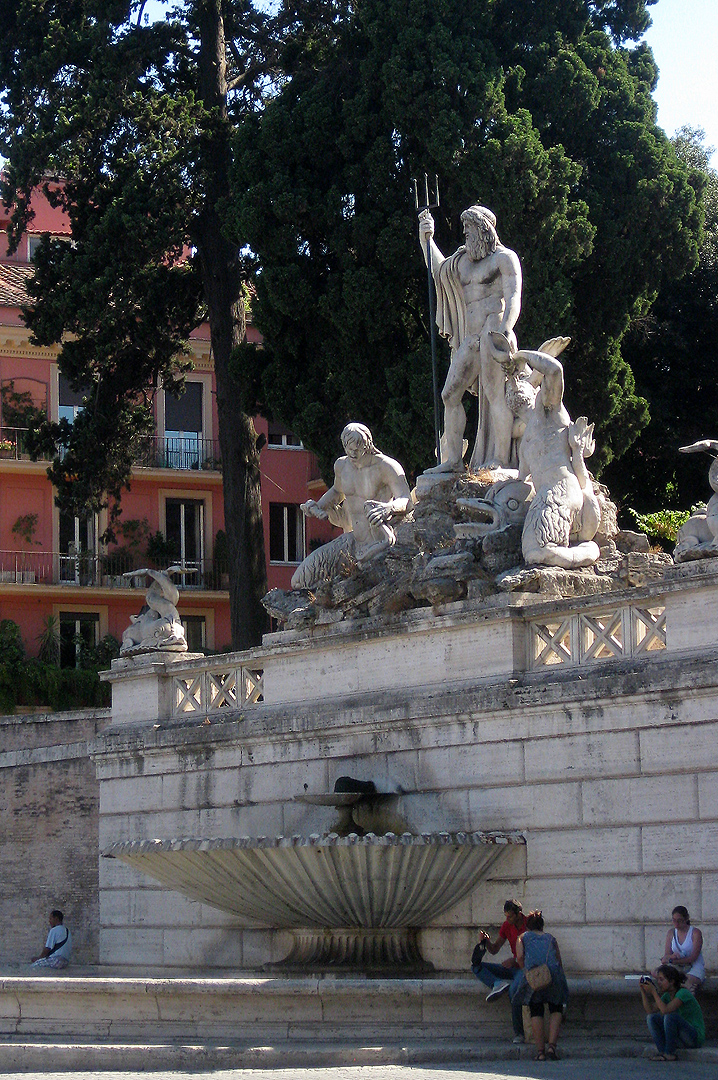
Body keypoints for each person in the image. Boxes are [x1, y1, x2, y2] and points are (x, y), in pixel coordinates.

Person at [418, 205, 522, 472]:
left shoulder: (504, 258)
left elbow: (513, 297)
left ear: (483, 229)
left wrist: (507, 329)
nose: (465, 235)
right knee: (449, 395)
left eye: (468, 230)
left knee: (494, 393)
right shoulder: (462, 261)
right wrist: (426, 239)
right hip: (471, 337)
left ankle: (500, 459)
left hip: (494, 330)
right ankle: (452, 461)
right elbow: (439, 271)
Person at [489, 332, 601, 568]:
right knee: (532, 551)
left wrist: (519, 356)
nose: (515, 386)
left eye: (521, 382)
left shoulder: (550, 410)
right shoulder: (526, 439)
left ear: (534, 390)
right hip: (546, 496)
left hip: (562, 491)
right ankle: (584, 551)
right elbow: (522, 479)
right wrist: (500, 486)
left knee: (535, 551)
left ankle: (587, 553)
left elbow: (555, 369)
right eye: (511, 383)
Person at [292, 423, 411, 590]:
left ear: (368, 444)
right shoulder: (342, 466)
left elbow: (406, 499)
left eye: (358, 449)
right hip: (352, 541)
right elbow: (337, 491)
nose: (353, 454)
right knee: (300, 579)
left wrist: (389, 508)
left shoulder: (386, 466)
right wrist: (318, 506)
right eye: (349, 449)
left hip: (378, 542)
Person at [515, 909, 569, 1061]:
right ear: (542, 926)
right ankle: (552, 1047)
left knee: (536, 1010)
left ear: (528, 926)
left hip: (535, 976)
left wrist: (525, 971)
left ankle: (540, 1052)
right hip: (553, 974)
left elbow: (519, 956)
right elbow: (558, 960)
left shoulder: (522, 937)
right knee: (556, 1008)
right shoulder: (551, 938)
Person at [472, 898, 527, 1042]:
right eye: (506, 916)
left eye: (510, 916)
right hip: (513, 968)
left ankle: (519, 1033)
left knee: (513, 991)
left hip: (525, 968)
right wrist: (486, 941)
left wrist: (514, 961)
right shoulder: (506, 926)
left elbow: (534, 954)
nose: (507, 919)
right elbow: (495, 949)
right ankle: (497, 983)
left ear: (519, 914)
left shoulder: (529, 925)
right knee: (476, 966)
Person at [640, 964, 705, 1060]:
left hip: (693, 1038)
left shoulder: (683, 993)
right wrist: (643, 991)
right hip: (680, 1037)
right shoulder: (667, 995)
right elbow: (650, 1010)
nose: (659, 983)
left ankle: (669, 1053)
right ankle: (662, 1052)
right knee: (651, 1018)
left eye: (661, 980)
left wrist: (654, 992)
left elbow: (665, 1010)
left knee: (670, 1017)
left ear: (671, 981)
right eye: (658, 980)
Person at [661, 906, 705, 992]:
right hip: (677, 967)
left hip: (694, 967)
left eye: (679, 920)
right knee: (658, 973)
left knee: (683, 982)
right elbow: (666, 955)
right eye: (674, 920)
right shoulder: (671, 933)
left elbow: (693, 958)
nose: (676, 924)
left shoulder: (695, 933)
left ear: (686, 919)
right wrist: (671, 957)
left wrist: (673, 961)